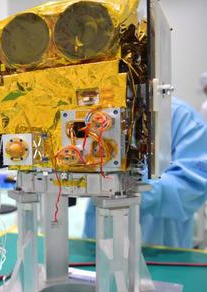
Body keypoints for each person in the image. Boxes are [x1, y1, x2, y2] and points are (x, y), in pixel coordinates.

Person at [84, 97, 207, 248]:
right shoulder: (98, 115)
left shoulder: (180, 117)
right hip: (99, 241)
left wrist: (134, 185)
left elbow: (192, 188)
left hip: (163, 249)